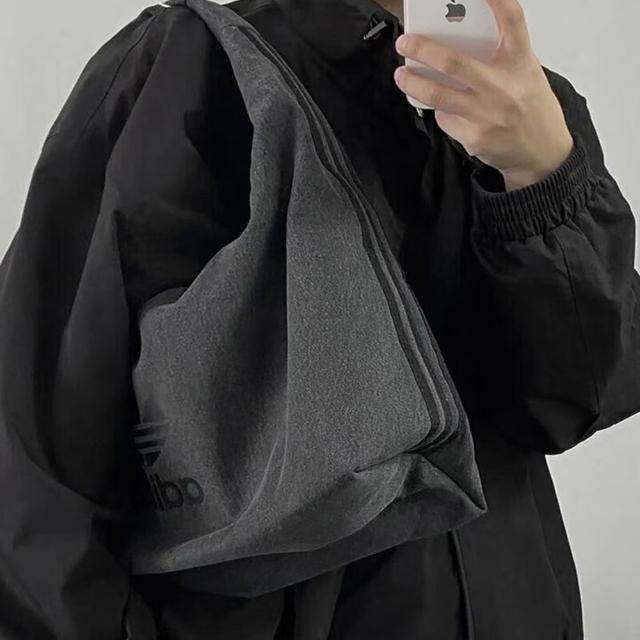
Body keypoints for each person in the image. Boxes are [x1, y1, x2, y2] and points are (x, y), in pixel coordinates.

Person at [1, 0, 639, 638]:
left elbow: (574, 400)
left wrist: (539, 174)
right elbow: (35, 465)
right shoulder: (194, 70)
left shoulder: (524, 103)